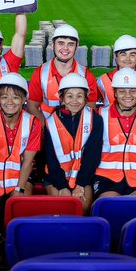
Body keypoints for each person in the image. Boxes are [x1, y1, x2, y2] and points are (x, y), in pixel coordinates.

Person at [95, 68, 136, 198]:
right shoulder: (100, 115)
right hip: (106, 176)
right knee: (108, 206)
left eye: (133, 91)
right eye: (122, 91)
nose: (128, 95)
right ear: (114, 93)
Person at [42, 73, 102, 213]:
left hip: (83, 175)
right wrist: (62, 187)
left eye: (79, 96)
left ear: (86, 98)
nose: (75, 100)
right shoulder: (50, 122)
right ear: (61, 98)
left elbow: (92, 157)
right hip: (56, 176)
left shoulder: (96, 120)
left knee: (82, 206)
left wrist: (80, 184)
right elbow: (51, 159)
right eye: (70, 96)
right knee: (62, 205)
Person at [0, 73, 42, 206]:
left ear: (23, 100)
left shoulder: (33, 123)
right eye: (4, 97)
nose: (9, 102)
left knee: (19, 203)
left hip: (22, 177)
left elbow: (28, 161)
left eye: (15, 98)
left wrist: (19, 188)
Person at [30, 24, 98, 117]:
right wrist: (45, 126)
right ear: (53, 45)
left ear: (76, 46)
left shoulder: (87, 76)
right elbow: (32, 106)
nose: (65, 48)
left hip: (76, 129)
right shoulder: (40, 73)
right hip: (48, 128)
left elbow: (90, 109)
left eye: (70, 44)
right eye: (61, 43)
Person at [97, 35, 136, 108]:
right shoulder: (102, 80)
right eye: (123, 54)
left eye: (132, 55)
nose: (127, 59)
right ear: (116, 57)